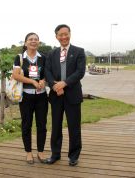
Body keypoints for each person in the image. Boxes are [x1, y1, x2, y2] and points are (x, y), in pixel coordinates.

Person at [44, 24, 86, 166]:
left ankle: (74, 155)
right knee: (55, 126)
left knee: (74, 127)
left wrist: (64, 83)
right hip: (56, 95)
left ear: (70, 34)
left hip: (73, 95)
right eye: (60, 35)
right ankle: (55, 154)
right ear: (56, 37)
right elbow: (47, 72)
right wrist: (55, 86)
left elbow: (80, 72)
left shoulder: (79, 51)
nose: (63, 37)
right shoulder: (51, 53)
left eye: (66, 34)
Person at [12, 32, 48, 164]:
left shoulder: (44, 57)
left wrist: (44, 81)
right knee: (26, 125)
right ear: (25, 42)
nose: (33, 41)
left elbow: (47, 74)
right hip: (26, 97)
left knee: (42, 125)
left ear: (39, 42)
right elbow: (16, 75)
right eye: (30, 39)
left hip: (42, 96)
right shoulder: (19, 57)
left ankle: (41, 151)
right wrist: (32, 82)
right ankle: (28, 152)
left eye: (36, 39)